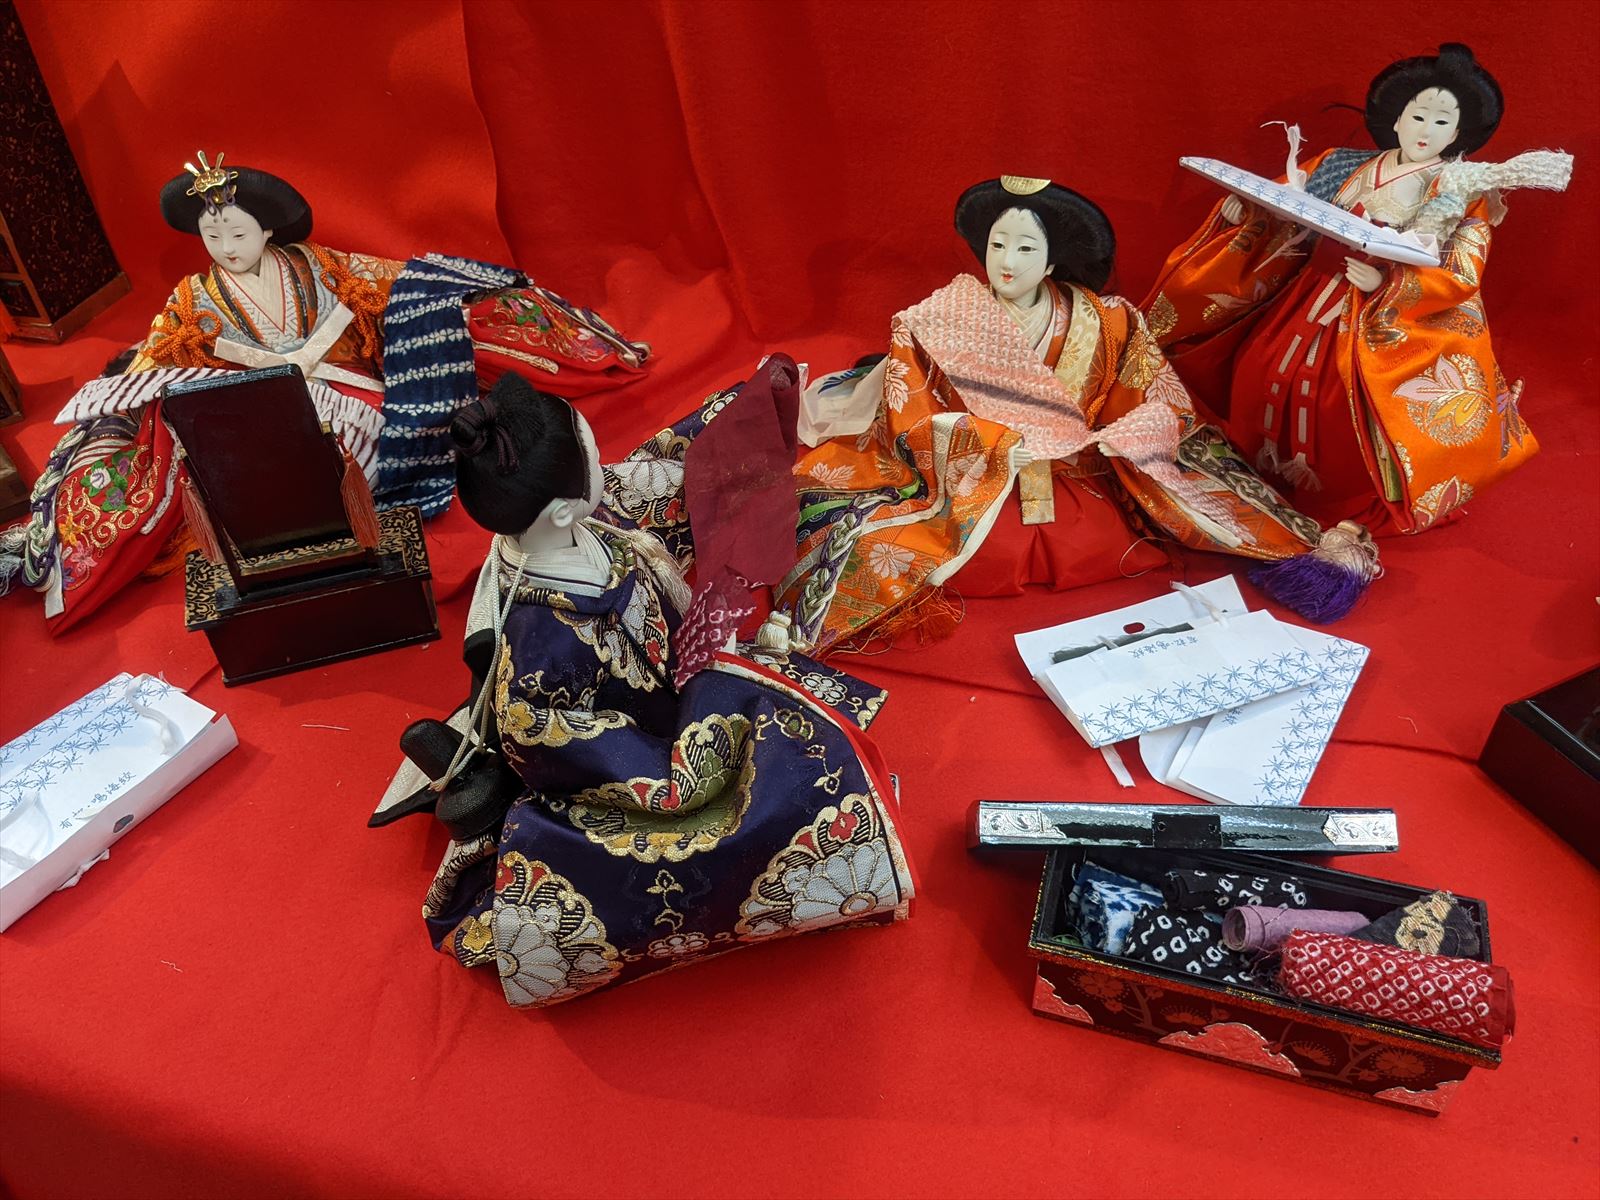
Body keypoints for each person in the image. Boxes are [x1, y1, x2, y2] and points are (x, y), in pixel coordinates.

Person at [397, 372, 916, 1009]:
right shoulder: (539, 646)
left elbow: (656, 478)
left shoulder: (573, 525)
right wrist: (707, 714)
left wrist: (751, 419)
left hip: (675, 693)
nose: (606, 464)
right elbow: (573, 755)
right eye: (594, 457)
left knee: (787, 721)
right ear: (560, 509)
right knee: (756, 827)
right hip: (638, 777)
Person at [1, 151, 649, 633]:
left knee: (392, 408)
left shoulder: (319, 265)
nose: (226, 248)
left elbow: (392, 280)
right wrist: (132, 391)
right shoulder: (192, 300)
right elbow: (156, 357)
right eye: (212, 237)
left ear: (268, 230)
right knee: (222, 468)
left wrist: (449, 291)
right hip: (262, 420)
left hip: (353, 407)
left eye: (239, 234)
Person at [778, 177, 1373, 655]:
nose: (1007, 261)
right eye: (997, 245)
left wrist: (1127, 433)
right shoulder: (932, 321)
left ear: (1052, 259)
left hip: (1083, 478)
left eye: (1025, 248)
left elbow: (1162, 399)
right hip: (981, 483)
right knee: (940, 549)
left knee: (1098, 536)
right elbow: (910, 415)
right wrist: (988, 440)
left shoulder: (1110, 320)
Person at [1142, 44, 1571, 534]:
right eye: (1418, 116)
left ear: (1458, 134)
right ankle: (1260, 470)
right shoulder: (1340, 164)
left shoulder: (1459, 190)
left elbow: (1463, 268)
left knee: (1338, 397)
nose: (1426, 131)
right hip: (1311, 290)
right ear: (1397, 119)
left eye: (1441, 122)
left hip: (1377, 311)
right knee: (1262, 367)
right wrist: (1246, 211)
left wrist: (1389, 282)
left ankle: (1341, 493)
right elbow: (1283, 201)